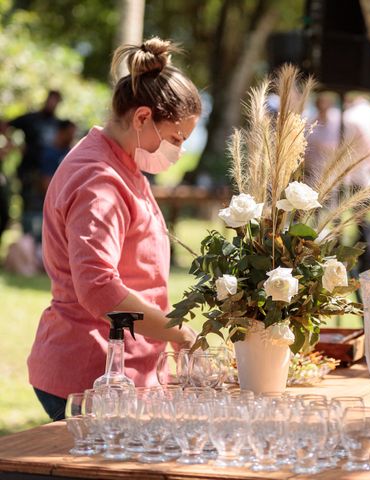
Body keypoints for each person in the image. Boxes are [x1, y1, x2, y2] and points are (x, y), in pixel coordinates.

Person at [27, 37, 200, 421]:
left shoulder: (120, 161)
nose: (179, 150)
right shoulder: (98, 180)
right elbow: (99, 288)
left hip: (121, 367)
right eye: (176, 138)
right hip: (92, 372)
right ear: (142, 118)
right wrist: (178, 332)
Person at [8, 90, 62, 237]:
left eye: (56, 101)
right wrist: (14, 146)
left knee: (47, 208)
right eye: (51, 100)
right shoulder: (31, 119)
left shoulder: (57, 124)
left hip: (48, 173)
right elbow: (6, 125)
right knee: (29, 208)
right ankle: (27, 241)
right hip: (29, 172)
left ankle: (40, 245)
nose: (52, 104)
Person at [305, 92, 341, 180]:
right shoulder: (311, 121)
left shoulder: (337, 119)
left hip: (332, 166)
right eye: (320, 104)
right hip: (314, 168)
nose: (323, 107)